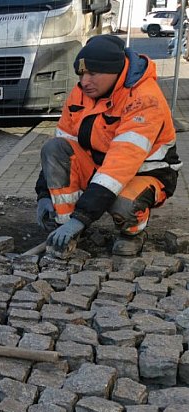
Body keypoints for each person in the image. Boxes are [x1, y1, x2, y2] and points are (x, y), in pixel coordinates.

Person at [35, 34, 181, 256]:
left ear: (115, 72)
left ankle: (133, 231)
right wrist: (44, 194)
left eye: (93, 74)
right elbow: (61, 148)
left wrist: (82, 218)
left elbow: (119, 167)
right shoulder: (80, 94)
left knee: (123, 204)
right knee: (54, 147)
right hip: (99, 168)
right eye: (82, 74)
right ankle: (65, 229)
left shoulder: (144, 99)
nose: (85, 81)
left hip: (145, 174)